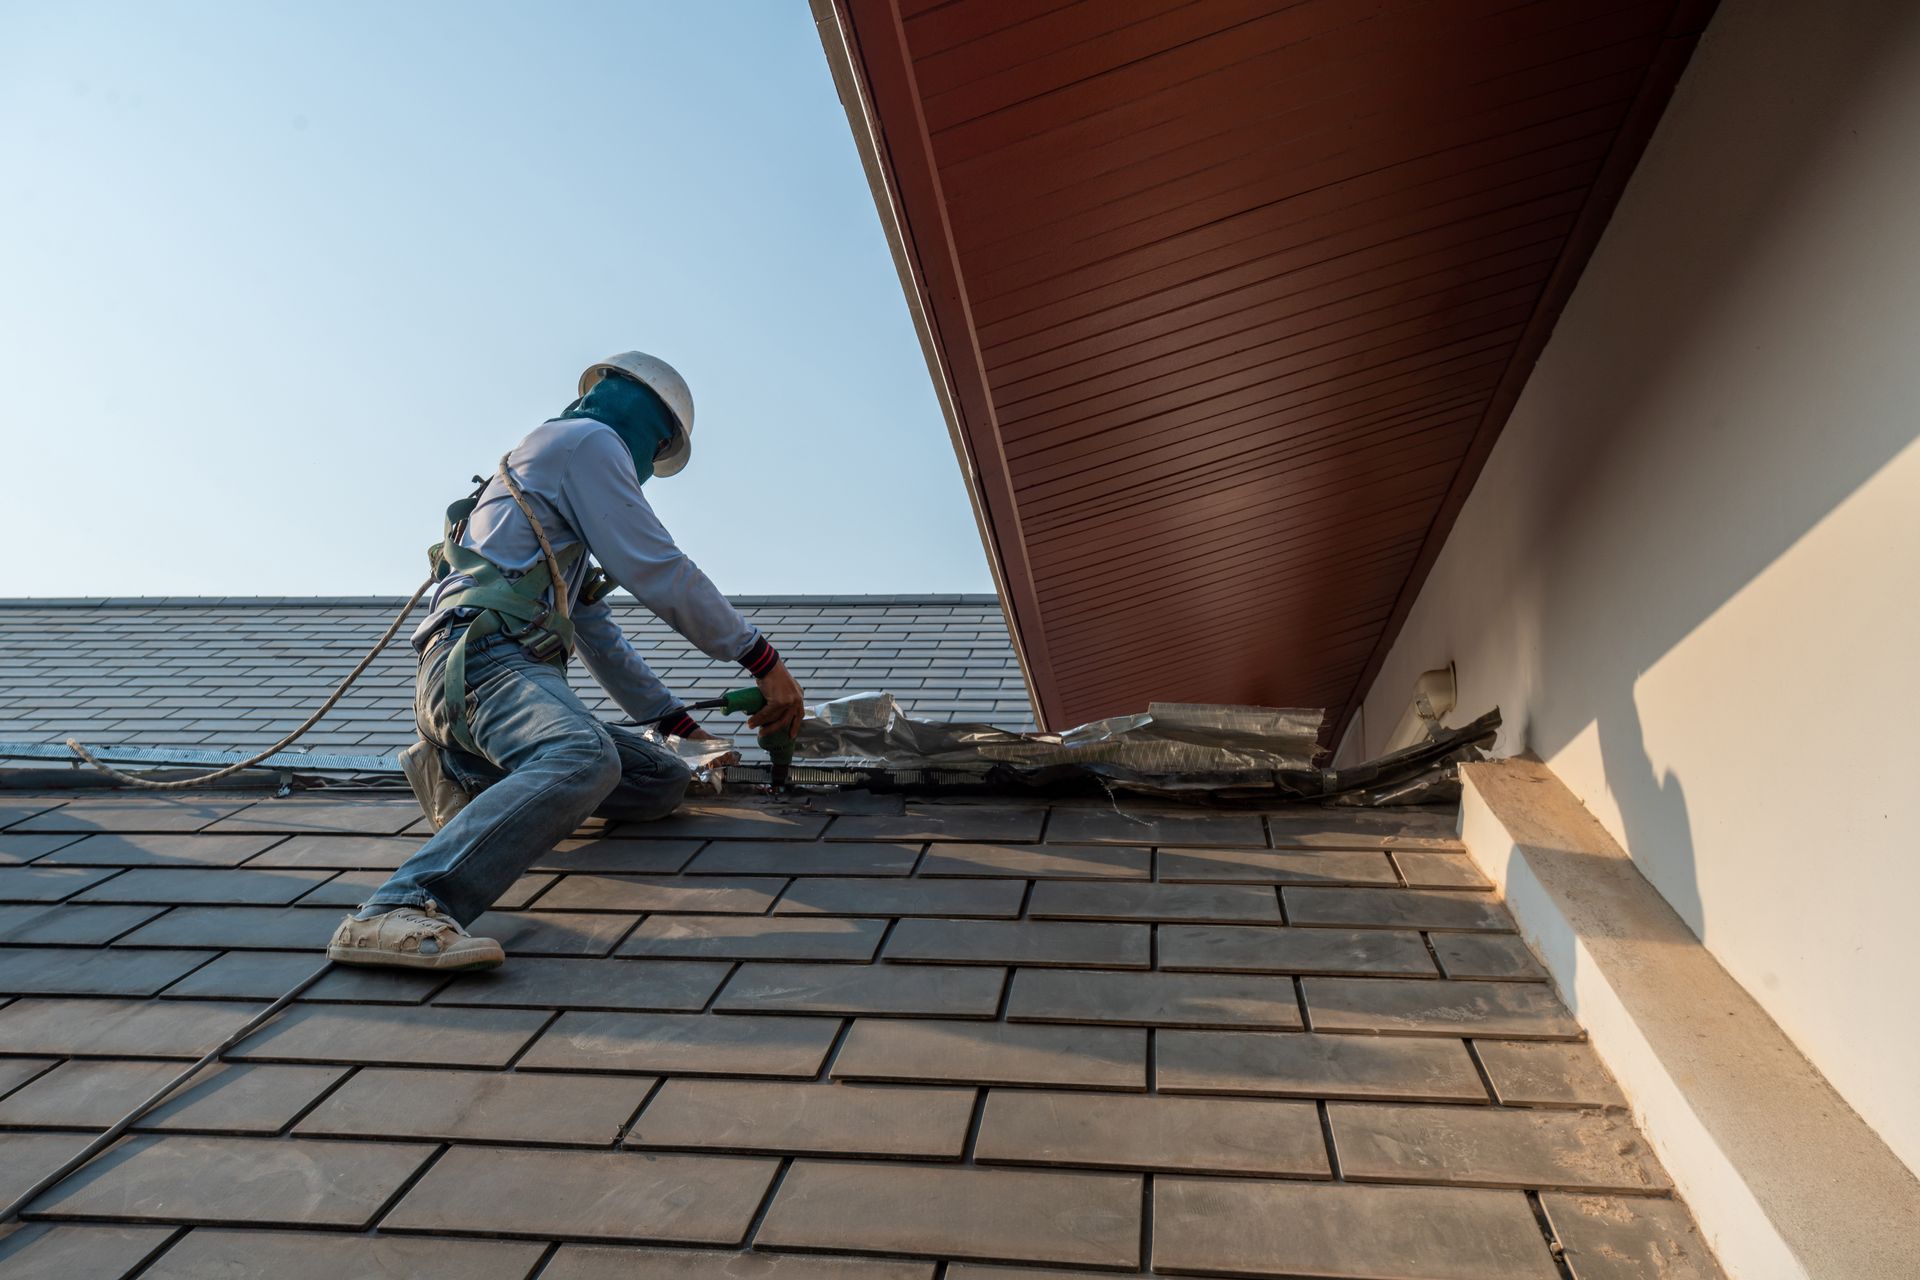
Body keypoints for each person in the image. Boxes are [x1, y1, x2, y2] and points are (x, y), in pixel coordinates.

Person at [326, 351, 805, 970]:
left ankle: (476, 780)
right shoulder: (587, 443)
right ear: (652, 431)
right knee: (582, 754)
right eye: (657, 450)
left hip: (494, 672)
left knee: (661, 778)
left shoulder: (552, 481)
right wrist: (761, 660)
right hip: (483, 664)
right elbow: (657, 567)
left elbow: (598, 635)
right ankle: (399, 906)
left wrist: (679, 729)